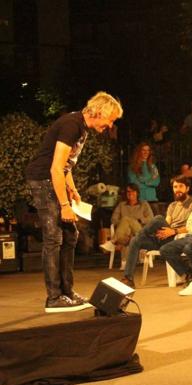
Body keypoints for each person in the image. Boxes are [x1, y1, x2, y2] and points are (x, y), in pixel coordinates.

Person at [25, 91, 123, 312]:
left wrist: (73, 189)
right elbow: (55, 167)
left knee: (71, 235)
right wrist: (65, 205)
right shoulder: (71, 125)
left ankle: (67, 292)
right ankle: (54, 298)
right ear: (100, 112)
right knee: (54, 237)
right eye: (111, 120)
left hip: (54, 180)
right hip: (43, 180)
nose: (110, 125)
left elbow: (65, 165)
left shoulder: (82, 128)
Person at [120, 176, 192, 288]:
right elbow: (167, 223)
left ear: (187, 188)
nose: (177, 189)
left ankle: (139, 233)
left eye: (180, 186)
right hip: (165, 237)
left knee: (158, 218)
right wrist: (163, 232)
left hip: (179, 237)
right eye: (175, 187)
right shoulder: (172, 206)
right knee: (135, 241)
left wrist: (173, 231)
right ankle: (128, 278)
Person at [100, 184, 154, 267]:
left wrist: (139, 220)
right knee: (127, 228)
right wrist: (123, 224)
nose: (130, 193)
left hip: (140, 230)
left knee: (126, 219)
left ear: (137, 193)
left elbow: (151, 219)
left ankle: (113, 242)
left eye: (133, 191)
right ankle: (125, 263)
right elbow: (113, 220)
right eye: (128, 191)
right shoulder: (121, 205)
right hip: (126, 234)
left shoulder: (144, 204)